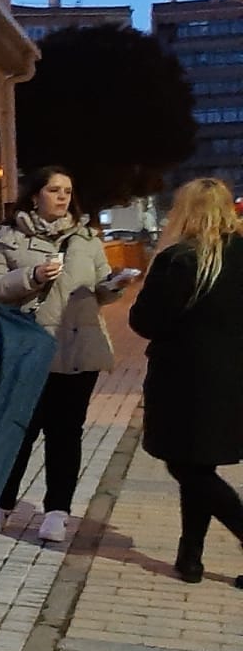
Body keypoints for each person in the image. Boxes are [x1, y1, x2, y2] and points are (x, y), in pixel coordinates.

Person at [0, 166, 127, 542]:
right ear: (34, 195)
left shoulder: (86, 238)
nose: (62, 197)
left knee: (66, 434)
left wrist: (114, 286)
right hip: (29, 349)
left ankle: (57, 512)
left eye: (67, 191)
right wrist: (32, 278)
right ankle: (1, 504)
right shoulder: (8, 235)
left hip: (78, 348)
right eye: (54, 190)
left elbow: (98, 286)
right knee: (20, 431)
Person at [129, 178, 243, 584]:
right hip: (232, 379)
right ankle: (189, 557)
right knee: (200, 463)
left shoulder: (178, 259)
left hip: (183, 380)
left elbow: (143, 321)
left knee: (185, 464)